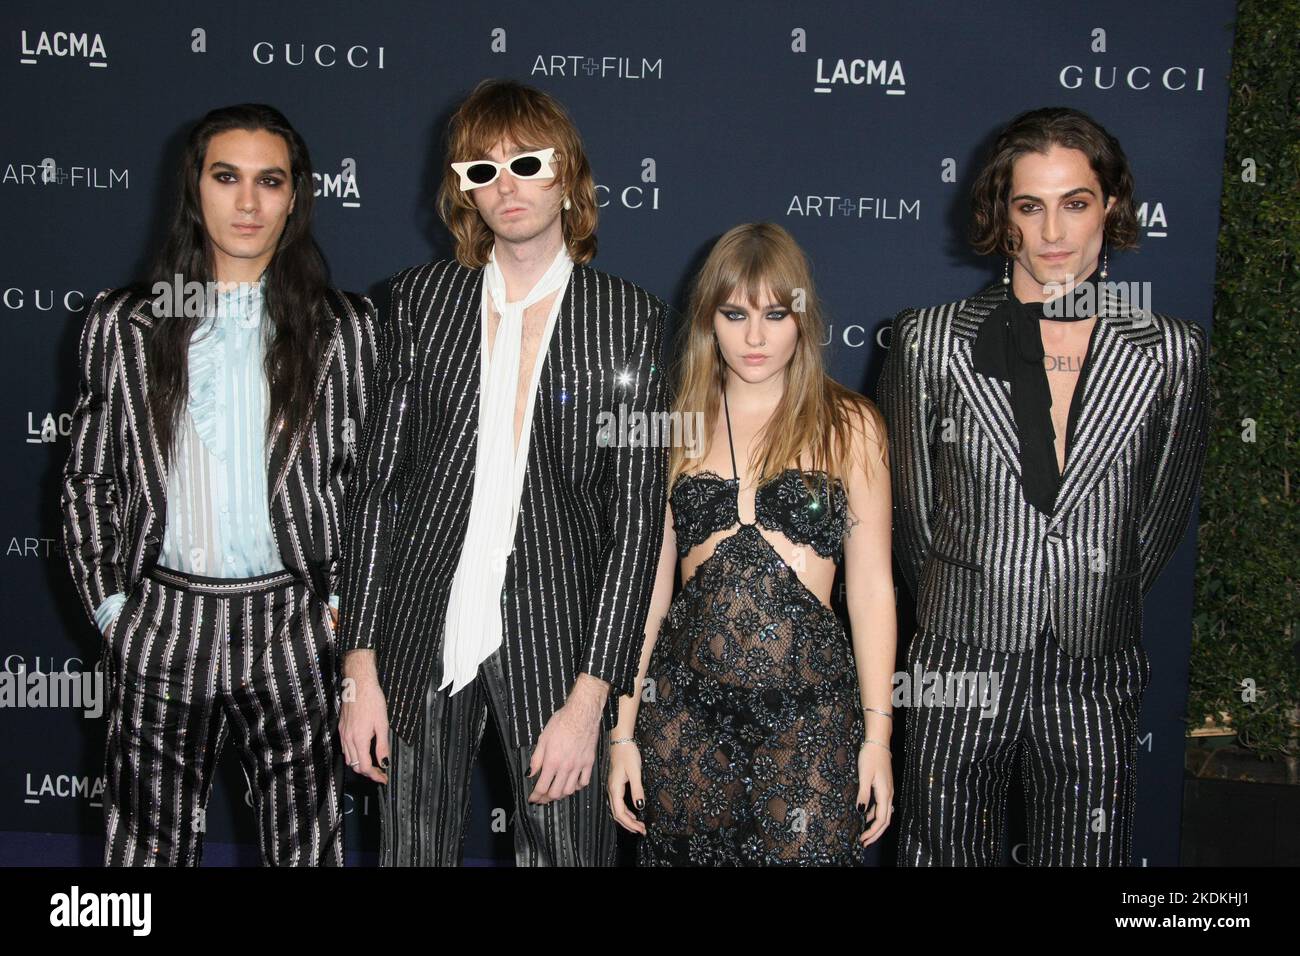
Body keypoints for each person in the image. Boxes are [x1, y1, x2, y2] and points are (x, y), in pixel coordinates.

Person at [337, 79, 668, 866]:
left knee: (563, 854)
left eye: (525, 161)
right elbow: (377, 488)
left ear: (568, 174)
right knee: (409, 853)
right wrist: (360, 666)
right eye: (481, 171)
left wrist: (594, 698)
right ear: (463, 192)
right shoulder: (417, 302)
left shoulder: (631, 320)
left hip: (559, 645)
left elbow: (635, 529)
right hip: (419, 633)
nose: (506, 186)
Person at [878, 107, 1210, 866]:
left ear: (1112, 206)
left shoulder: (1170, 352)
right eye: (1031, 205)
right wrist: (970, 597)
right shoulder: (930, 341)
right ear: (1003, 216)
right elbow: (910, 515)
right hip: (960, 654)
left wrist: (1090, 591)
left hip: (1095, 658)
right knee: (940, 852)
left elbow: (1158, 518)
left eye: (1076, 202)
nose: (1054, 231)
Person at [61, 103, 378, 866]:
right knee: (144, 849)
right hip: (162, 617)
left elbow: (368, 487)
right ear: (194, 188)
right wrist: (113, 612)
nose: (246, 203)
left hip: (293, 620)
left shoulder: (343, 328)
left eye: (269, 182)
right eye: (226, 177)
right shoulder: (125, 323)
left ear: (296, 195)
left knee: (306, 847)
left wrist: (337, 613)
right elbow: (88, 479)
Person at [608, 222, 897, 865]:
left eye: (775, 313)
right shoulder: (675, 425)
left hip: (811, 717)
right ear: (710, 318)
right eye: (736, 314)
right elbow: (649, 593)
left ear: (803, 317)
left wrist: (877, 738)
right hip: (683, 717)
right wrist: (623, 732)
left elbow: (873, 590)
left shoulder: (851, 425)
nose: (757, 337)